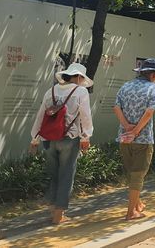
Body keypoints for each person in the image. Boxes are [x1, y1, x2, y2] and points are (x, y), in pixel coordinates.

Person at [30, 63, 94, 224]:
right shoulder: (81, 91)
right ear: (79, 77)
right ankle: (59, 215)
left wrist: (34, 138)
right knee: (66, 175)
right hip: (69, 139)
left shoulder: (50, 91)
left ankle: (53, 209)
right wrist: (86, 137)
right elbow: (85, 116)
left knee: (54, 174)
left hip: (48, 140)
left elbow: (40, 116)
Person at [114, 58, 155, 220]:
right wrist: (135, 131)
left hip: (124, 137)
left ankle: (137, 204)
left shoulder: (125, 86)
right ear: (154, 74)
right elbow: (149, 112)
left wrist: (127, 127)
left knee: (131, 173)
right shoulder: (154, 89)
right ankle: (131, 213)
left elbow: (116, 107)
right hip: (143, 139)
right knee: (138, 174)